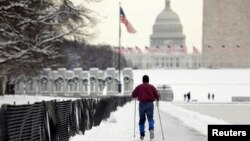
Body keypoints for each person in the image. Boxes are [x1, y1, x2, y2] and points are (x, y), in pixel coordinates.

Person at [132, 75, 160, 140]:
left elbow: (133, 94)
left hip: (141, 104)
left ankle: (142, 134)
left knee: (141, 120)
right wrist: (157, 100)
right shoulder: (151, 86)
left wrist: (136, 95)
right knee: (150, 118)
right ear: (148, 80)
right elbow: (157, 94)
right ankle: (151, 129)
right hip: (150, 104)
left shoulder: (139, 87)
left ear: (143, 80)